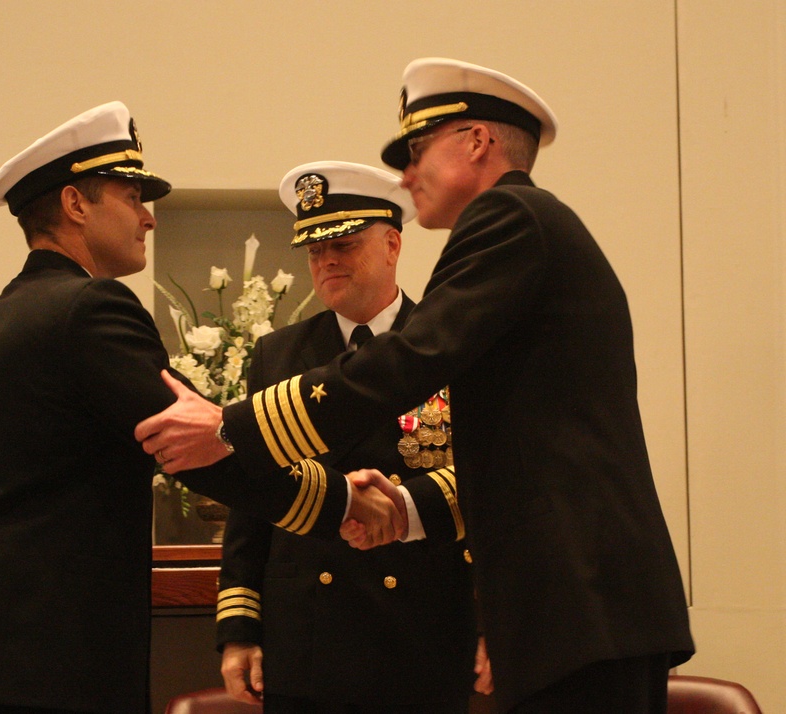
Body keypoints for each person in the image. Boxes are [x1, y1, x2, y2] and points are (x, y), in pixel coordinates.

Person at [136, 59, 695, 714]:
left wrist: (232, 427)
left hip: (574, 595)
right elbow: (511, 446)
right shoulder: (522, 224)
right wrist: (405, 513)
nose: (406, 175)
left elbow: (407, 357)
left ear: (478, 142)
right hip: (569, 602)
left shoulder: (508, 217)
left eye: (418, 149)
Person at [0, 101, 402, 714]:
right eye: (133, 197)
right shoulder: (90, 310)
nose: (148, 219)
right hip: (43, 667)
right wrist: (347, 501)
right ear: (75, 204)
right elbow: (200, 450)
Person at [218, 161, 478, 714]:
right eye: (315, 250)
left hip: (423, 632)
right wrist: (240, 628)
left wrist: (494, 619)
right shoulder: (279, 354)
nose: (327, 260)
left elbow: (488, 487)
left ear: (392, 245)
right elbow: (251, 497)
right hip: (308, 638)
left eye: (345, 243)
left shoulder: (448, 342)